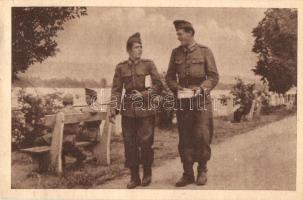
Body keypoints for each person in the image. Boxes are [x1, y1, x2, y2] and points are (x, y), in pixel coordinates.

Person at [165, 20, 219, 187]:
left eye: (180, 33)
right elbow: (169, 77)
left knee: (202, 135)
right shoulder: (175, 53)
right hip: (183, 101)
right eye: (178, 34)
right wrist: (178, 89)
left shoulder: (205, 51)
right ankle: (187, 173)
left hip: (201, 101)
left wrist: (201, 89)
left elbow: (213, 77)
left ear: (190, 33)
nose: (178, 37)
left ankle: (202, 170)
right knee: (185, 136)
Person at [109, 32, 163, 189]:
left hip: (146, 110)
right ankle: (134, 176)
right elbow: (116, 90)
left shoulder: (148, 64)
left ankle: (147, 173)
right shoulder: (121, 67)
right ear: (129, 50)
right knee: (129, 143)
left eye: (141, 47)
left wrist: (144, 94)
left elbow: (158, 85)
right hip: (128, 112)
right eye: (137, 47)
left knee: (146, 143)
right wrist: (113, 107)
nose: (140, 50)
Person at [60, 93, 86, 167]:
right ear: (72, 102)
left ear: (63, 102)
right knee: (65, 144)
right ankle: (80, 156)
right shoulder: (78, 112)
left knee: (40, 140)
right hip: (74, 136)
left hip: (64, 137)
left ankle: (61, 162)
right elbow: (82, 122)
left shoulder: (61, 112)